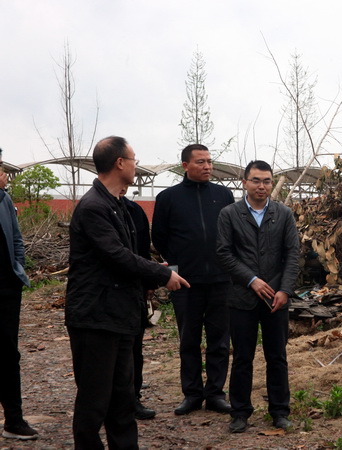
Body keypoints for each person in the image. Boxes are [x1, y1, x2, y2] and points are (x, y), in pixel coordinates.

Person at [66, 136, 189, 449]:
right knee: (95, 401)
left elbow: (131, 256)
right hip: (95, 318)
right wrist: (162, 274)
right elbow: (116, 255)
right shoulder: (94, 207)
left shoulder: (118, 205)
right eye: (134, 159)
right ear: (119, 163)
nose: (136, 165)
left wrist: (152, 271)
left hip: (120, 315)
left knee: (123, 399)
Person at [215, 160, 299, 433]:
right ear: (244, 183)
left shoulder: (283, 214)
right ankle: (240, 412)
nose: (261, 186)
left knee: (277, 357)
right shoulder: (230, 214)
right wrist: (251, 280)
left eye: (266, 181)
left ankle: (280, 411)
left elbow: (292, 254)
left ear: (271, 184)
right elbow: (224, 253)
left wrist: (285, 290)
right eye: (255, 180)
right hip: (242, 297)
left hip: (276, 298)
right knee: (242, 357)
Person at [152, 144, 234, 416]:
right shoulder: (168, 198)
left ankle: (216, 394)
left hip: (221, 279)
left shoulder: (223, 195)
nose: (207, 166)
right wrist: (178, 263)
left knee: (219, 341)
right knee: (189, 340)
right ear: (185, 166)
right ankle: (192, 394)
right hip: (185, 281)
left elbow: (231, 232)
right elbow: (159, 237)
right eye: (200, 162)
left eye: (209, 161)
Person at [0, 149, 39, 441]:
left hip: (6, 289)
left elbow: (16, 238)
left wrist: (18, 268)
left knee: (8, 355)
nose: (2, 173)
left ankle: (14, 420)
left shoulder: (4, 199)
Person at [120, 188, 156, 420]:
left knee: (135, 347)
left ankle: (133, 398)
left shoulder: (135, 211)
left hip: (137, 290)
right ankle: (112, 401)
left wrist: (150, 282)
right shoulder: (96, 209)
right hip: (110, 293)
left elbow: (144, 250)